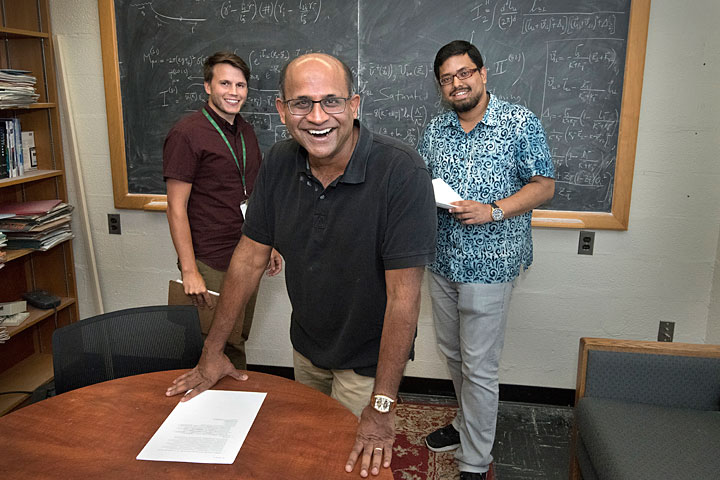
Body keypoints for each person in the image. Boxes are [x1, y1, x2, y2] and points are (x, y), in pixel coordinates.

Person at [165, 53, 437, 477]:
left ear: (354, 105)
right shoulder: (277, 163)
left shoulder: (401, 172)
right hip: (307, 347)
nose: (317, 117)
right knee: (309, 451)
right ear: (281, 109)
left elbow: (405, 298)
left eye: (331, 101)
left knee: (348, 463)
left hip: (367, 359)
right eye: (301, 103)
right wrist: (212, 351)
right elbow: (248, 259)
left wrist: (383, 405)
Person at [418, 40, 555, 480]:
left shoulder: (518, 122)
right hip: (443, 260)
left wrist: (493, 209)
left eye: (464, 73)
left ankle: (475, 460)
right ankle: (465, 424)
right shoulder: (436, 130)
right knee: (454, 355)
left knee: (479, 365)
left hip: (490, 264)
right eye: (447, 78)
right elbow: (422, 183)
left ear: (482, 73)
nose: (457, 83)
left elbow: (544, 186)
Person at [163, 51, 282, 370]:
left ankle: (234, 412)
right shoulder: (187, 133)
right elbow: (176, 207)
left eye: (240, 85)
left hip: (248, 252)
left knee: (237, 335)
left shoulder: (245, 131)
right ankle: (212, 412)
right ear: (207, 86)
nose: (234, 91)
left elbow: (256, 195)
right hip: (210, 258)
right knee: (213, 342)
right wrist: (190, 271)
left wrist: (268, 244)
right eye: (225, 83)